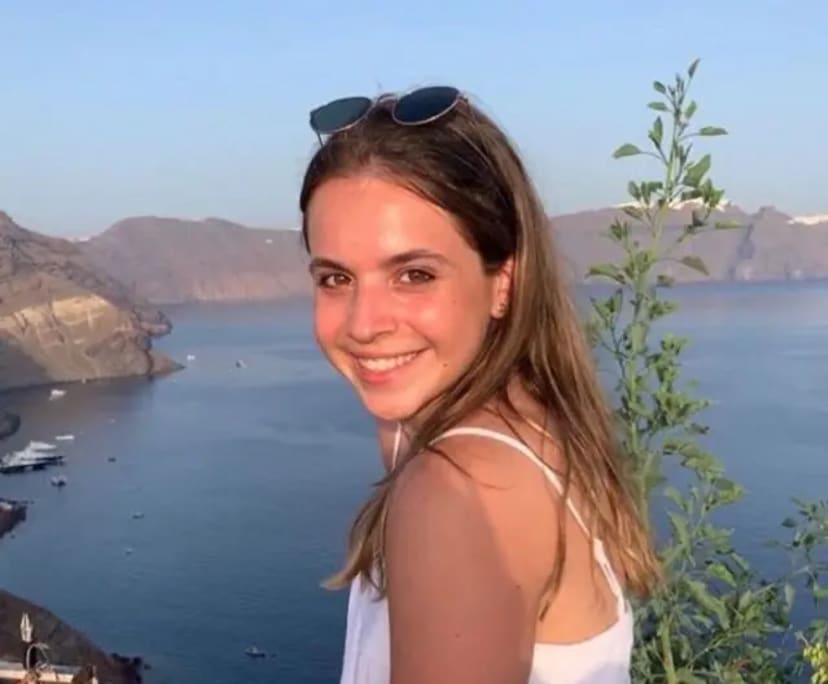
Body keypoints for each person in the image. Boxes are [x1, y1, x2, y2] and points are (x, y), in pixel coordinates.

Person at [299, 86, 661, 684]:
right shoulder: (528, 421)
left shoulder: (455, 492)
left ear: (503, 283)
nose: (363, 324)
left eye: (414, 274)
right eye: (336, 278)